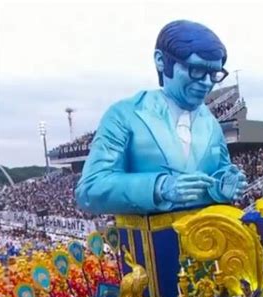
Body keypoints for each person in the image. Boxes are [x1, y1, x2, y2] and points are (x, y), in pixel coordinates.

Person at [75, 20, 247, 215]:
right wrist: (159, 187)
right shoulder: (124, 114)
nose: (207, 83)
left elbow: (219, 173)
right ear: (161, 60)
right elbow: (89, 189)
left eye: (213, 74)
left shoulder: (210, 121)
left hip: (210, 237)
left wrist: (224, 185)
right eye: (196, 70)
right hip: (150, 243)